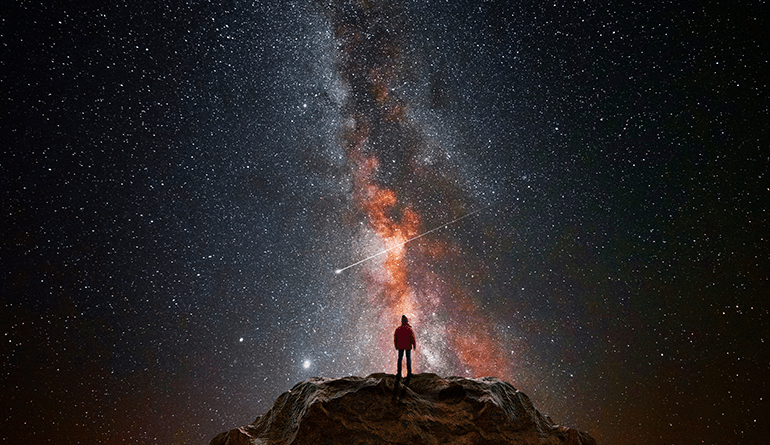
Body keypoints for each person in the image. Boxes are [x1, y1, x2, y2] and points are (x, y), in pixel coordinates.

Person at [393, 315, 416, 381]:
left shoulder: (398, 329)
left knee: (399, 359)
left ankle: (399, 373)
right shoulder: (409, 329)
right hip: (408, 346)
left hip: (400, 346)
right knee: (408, 359)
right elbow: (412, 338)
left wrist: (396, 345)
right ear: (406, 321)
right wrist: (414, 345)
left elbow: (395, 338)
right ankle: (409, 373)